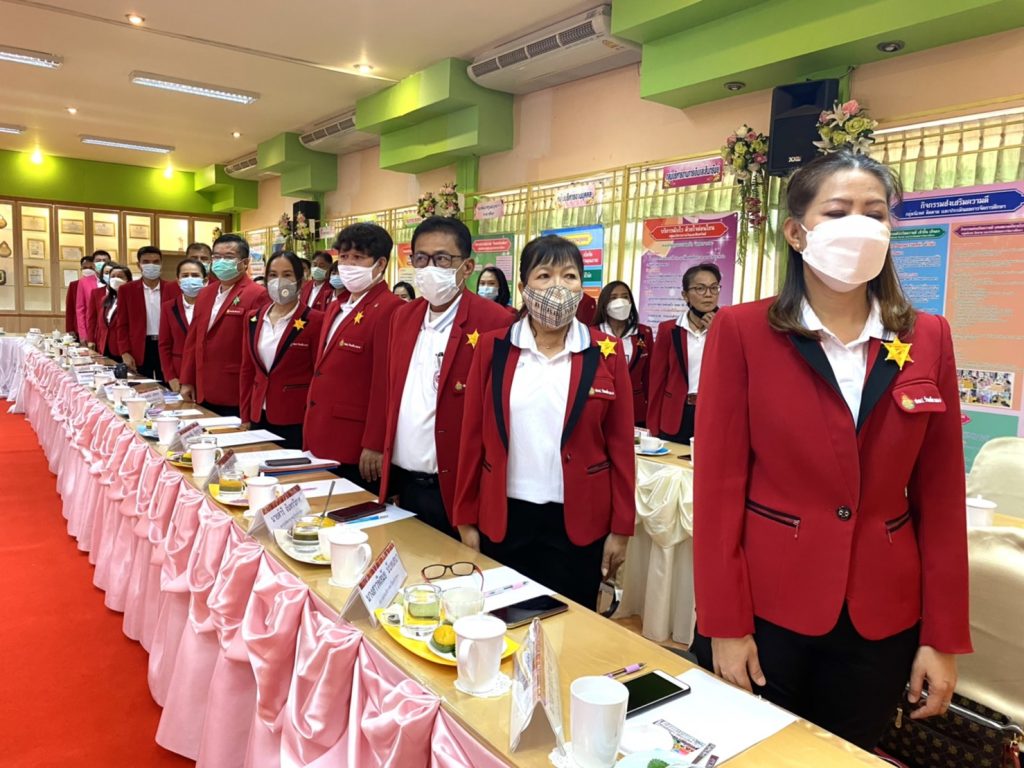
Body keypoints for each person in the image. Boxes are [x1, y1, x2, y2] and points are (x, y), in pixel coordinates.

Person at [691, 151, 971, 751]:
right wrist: (724, 624)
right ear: (797, 232)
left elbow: (943, 497)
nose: (860, 226)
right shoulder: (742, 332)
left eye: (876, 213)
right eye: (838, 212)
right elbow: (716, 490)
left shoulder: (928, 337)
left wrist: (941, 635)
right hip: (768, 607)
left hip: (883, 615)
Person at [453, 235, 635, 609]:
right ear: (523, 288)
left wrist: (622, 527)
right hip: (505, 516)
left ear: (581, 287)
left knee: (571, 626)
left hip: (579, 521)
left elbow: (620, 445)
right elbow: (471, 436)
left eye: (569, 276)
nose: (558, 286)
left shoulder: (605, 352)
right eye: (544, 275)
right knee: (503, 620)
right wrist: (465, 517)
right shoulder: (493, 347)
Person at [373, 217, 515, 536]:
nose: (430, 268)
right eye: (421, 259)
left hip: (455, 489)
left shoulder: (494, 321)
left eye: (442, 259)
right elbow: (393, 393)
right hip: (403, 484)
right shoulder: (403, 316)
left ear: (467, 267)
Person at [304, 223, 401, 490]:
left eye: (358, 257)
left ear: (380, 264)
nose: (348, 265)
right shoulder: (337, 305)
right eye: (344, 257)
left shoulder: (391, 309)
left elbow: (386, 383)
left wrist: (375, 442)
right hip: (319, 429)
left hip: (355, 442)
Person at [239, 251, 324, 450]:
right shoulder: (253, 318)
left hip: (294, 417)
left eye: (287, 275)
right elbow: (247, 370)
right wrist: (245, 415)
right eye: (273, 275)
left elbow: (318, 375)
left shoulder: (316, 320)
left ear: (301, 281)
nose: (279, 282)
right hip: (258, 414)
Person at [179, 234, 270, 416]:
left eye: (228, 257)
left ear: (245, 263)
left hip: (234, 388)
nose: (221, 262)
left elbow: (256, 348)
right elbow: (193, 340)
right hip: (202, 385)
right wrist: (187, 380)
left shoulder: (258, 294)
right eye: (216, 257)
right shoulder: (205, 293)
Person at [647, 262, 721, 445]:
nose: (709, 294)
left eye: (714, 288)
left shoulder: (728, 329)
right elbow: (657, 380)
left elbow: (734, 374)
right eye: (700, 288)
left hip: (713, 413)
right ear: (685, 295)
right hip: (676, 414)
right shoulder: (669, 329)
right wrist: (652, 427)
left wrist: (718, 333)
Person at [115, 246, 181, 380]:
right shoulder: (126, 290)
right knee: (142, 386)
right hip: (140, 346)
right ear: (139, 265)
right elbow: (122, 324)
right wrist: (125, 352)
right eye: (146, 262)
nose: (151, 265)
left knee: (169, 384)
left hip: (166, 345)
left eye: (156, 262)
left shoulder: (173, 288)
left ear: (161, 264)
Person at [593, 281, 653, 427]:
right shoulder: (592, 333)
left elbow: (649, 375)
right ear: (604, 303)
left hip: (635, 407)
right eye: (613, 298)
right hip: (602, 404)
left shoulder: (644, 333)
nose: (620, 302)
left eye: (625, 297)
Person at [159, 258, 207, 393]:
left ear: (204, 281)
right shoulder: (168, 307)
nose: (190, 279)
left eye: (195, 275)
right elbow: (164, 345)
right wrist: (170, 376)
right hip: (178, 372)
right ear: (178, 280)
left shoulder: (212, 306)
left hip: (205, 373)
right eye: (185, 276)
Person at [94, 264, 132, 361]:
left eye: (120, 276)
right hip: (105, 347)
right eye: (113, 276)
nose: (115, 279)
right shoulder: (105, 299)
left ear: (128, 279)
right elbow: (101, 325)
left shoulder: (132, 300)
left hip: (123, 350)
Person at [75, 250, 109, 343]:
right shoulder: (84, 282)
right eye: (98, 260)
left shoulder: (114, 280)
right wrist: (83, 334)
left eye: (104, 260)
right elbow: (80, 310)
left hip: (111, 329)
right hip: (92, 329)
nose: (101, 263)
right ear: (93, 264)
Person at [85, 259, 115, 347]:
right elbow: (92, 318)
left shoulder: (125, 292)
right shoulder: (96, 293)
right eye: (106, 273)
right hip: (102, 338)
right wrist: (90, 340)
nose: (109, 276)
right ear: (102, 275)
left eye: (112, 273)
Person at [65, 254, 96, 337]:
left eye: (91, 267)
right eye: (85, 267)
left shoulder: (100, 283)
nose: (88, 270)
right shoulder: (74, 285)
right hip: (79, 326)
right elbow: (70, 308)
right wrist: (70, 328)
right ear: (81, 269)